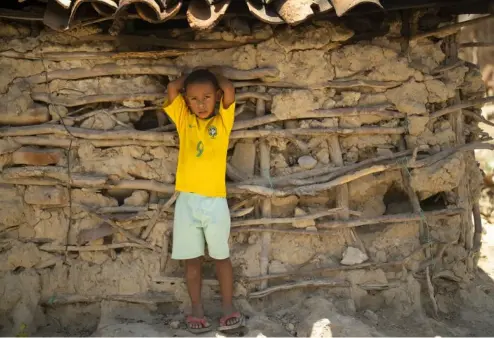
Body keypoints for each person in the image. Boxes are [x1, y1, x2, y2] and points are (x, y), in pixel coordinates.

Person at [163, 67, 244, 333]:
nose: (200, 104)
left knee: (221, 256)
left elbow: (230, 89)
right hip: (187, 201)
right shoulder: (184, 120)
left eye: (207, 97)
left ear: (217, 97)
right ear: (187, 101)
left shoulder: (223, 123)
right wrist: (189, 81)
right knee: (192, 260)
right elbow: (173, 89)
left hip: (215, 201)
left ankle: (228, 307)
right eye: (194, 99)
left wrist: (209, 73)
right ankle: (196, 308)